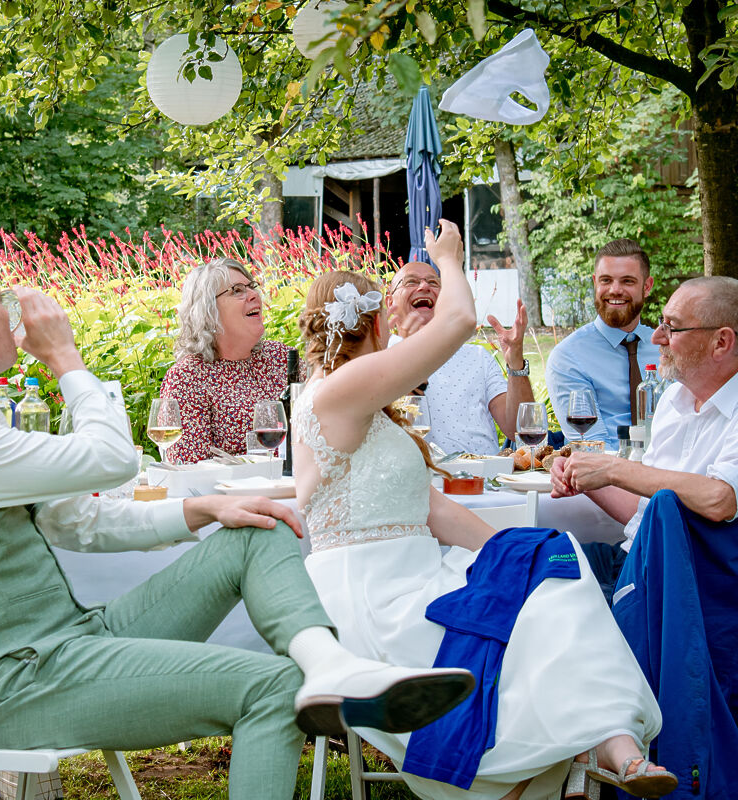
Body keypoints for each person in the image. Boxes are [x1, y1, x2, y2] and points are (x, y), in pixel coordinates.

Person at [0, 242, 476, 800]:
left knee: (252, 529)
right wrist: (66, 358)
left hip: (71, 641)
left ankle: (329, 663)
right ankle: (320, 672)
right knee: (272, 688)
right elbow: (112, 459)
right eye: (0, 304)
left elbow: (74, 522)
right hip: (19, 681)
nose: (15, 315)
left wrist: (202, 508)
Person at [292, 220, 672, 800]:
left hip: (421, 569)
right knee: (526, 600)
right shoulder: (336, 392)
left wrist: (501, 552)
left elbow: (425, 504)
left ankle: (609, 739)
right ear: (372, 319)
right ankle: (571, 755)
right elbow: (460, 323)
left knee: (549, 563)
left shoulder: (366, 403)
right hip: (372, 592)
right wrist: (449, 258)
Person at [551, 276, 738, 575]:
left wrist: (614, 470)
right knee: (516, 557)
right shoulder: (673, 398)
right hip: (633, 562)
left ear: (721, 342)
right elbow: (643, 511)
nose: (656, 338)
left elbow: (720, 499)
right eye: (661, 323)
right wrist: (582, 474)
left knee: (534, 588)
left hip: (683, 585)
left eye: (672, 327)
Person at [385, 261, 533, 455]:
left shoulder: (478, 357)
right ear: (390, 302)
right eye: (411, 282)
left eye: (433, 282)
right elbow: (392, 437)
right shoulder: (381, 358)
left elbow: (519, 429)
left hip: (484, 480)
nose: (424, 286)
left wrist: (515, 362)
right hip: (423, 481)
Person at [160, 258, 297, 463]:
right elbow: (189, 468)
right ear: (208, 312)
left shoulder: (281, 357)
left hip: (297, 485)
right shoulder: (188, 377)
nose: (253, 295)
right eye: (237, 290)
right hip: (235, 492)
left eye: (252, 287)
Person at [546, 239, 660, 449]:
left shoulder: (666, 349)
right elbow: (592, 447)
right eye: (606, 280)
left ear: (647, 286)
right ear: (595, 282)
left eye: (627, 281)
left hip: (671, 472)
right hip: (605, 475)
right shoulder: (569, 356)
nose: (615, 290)